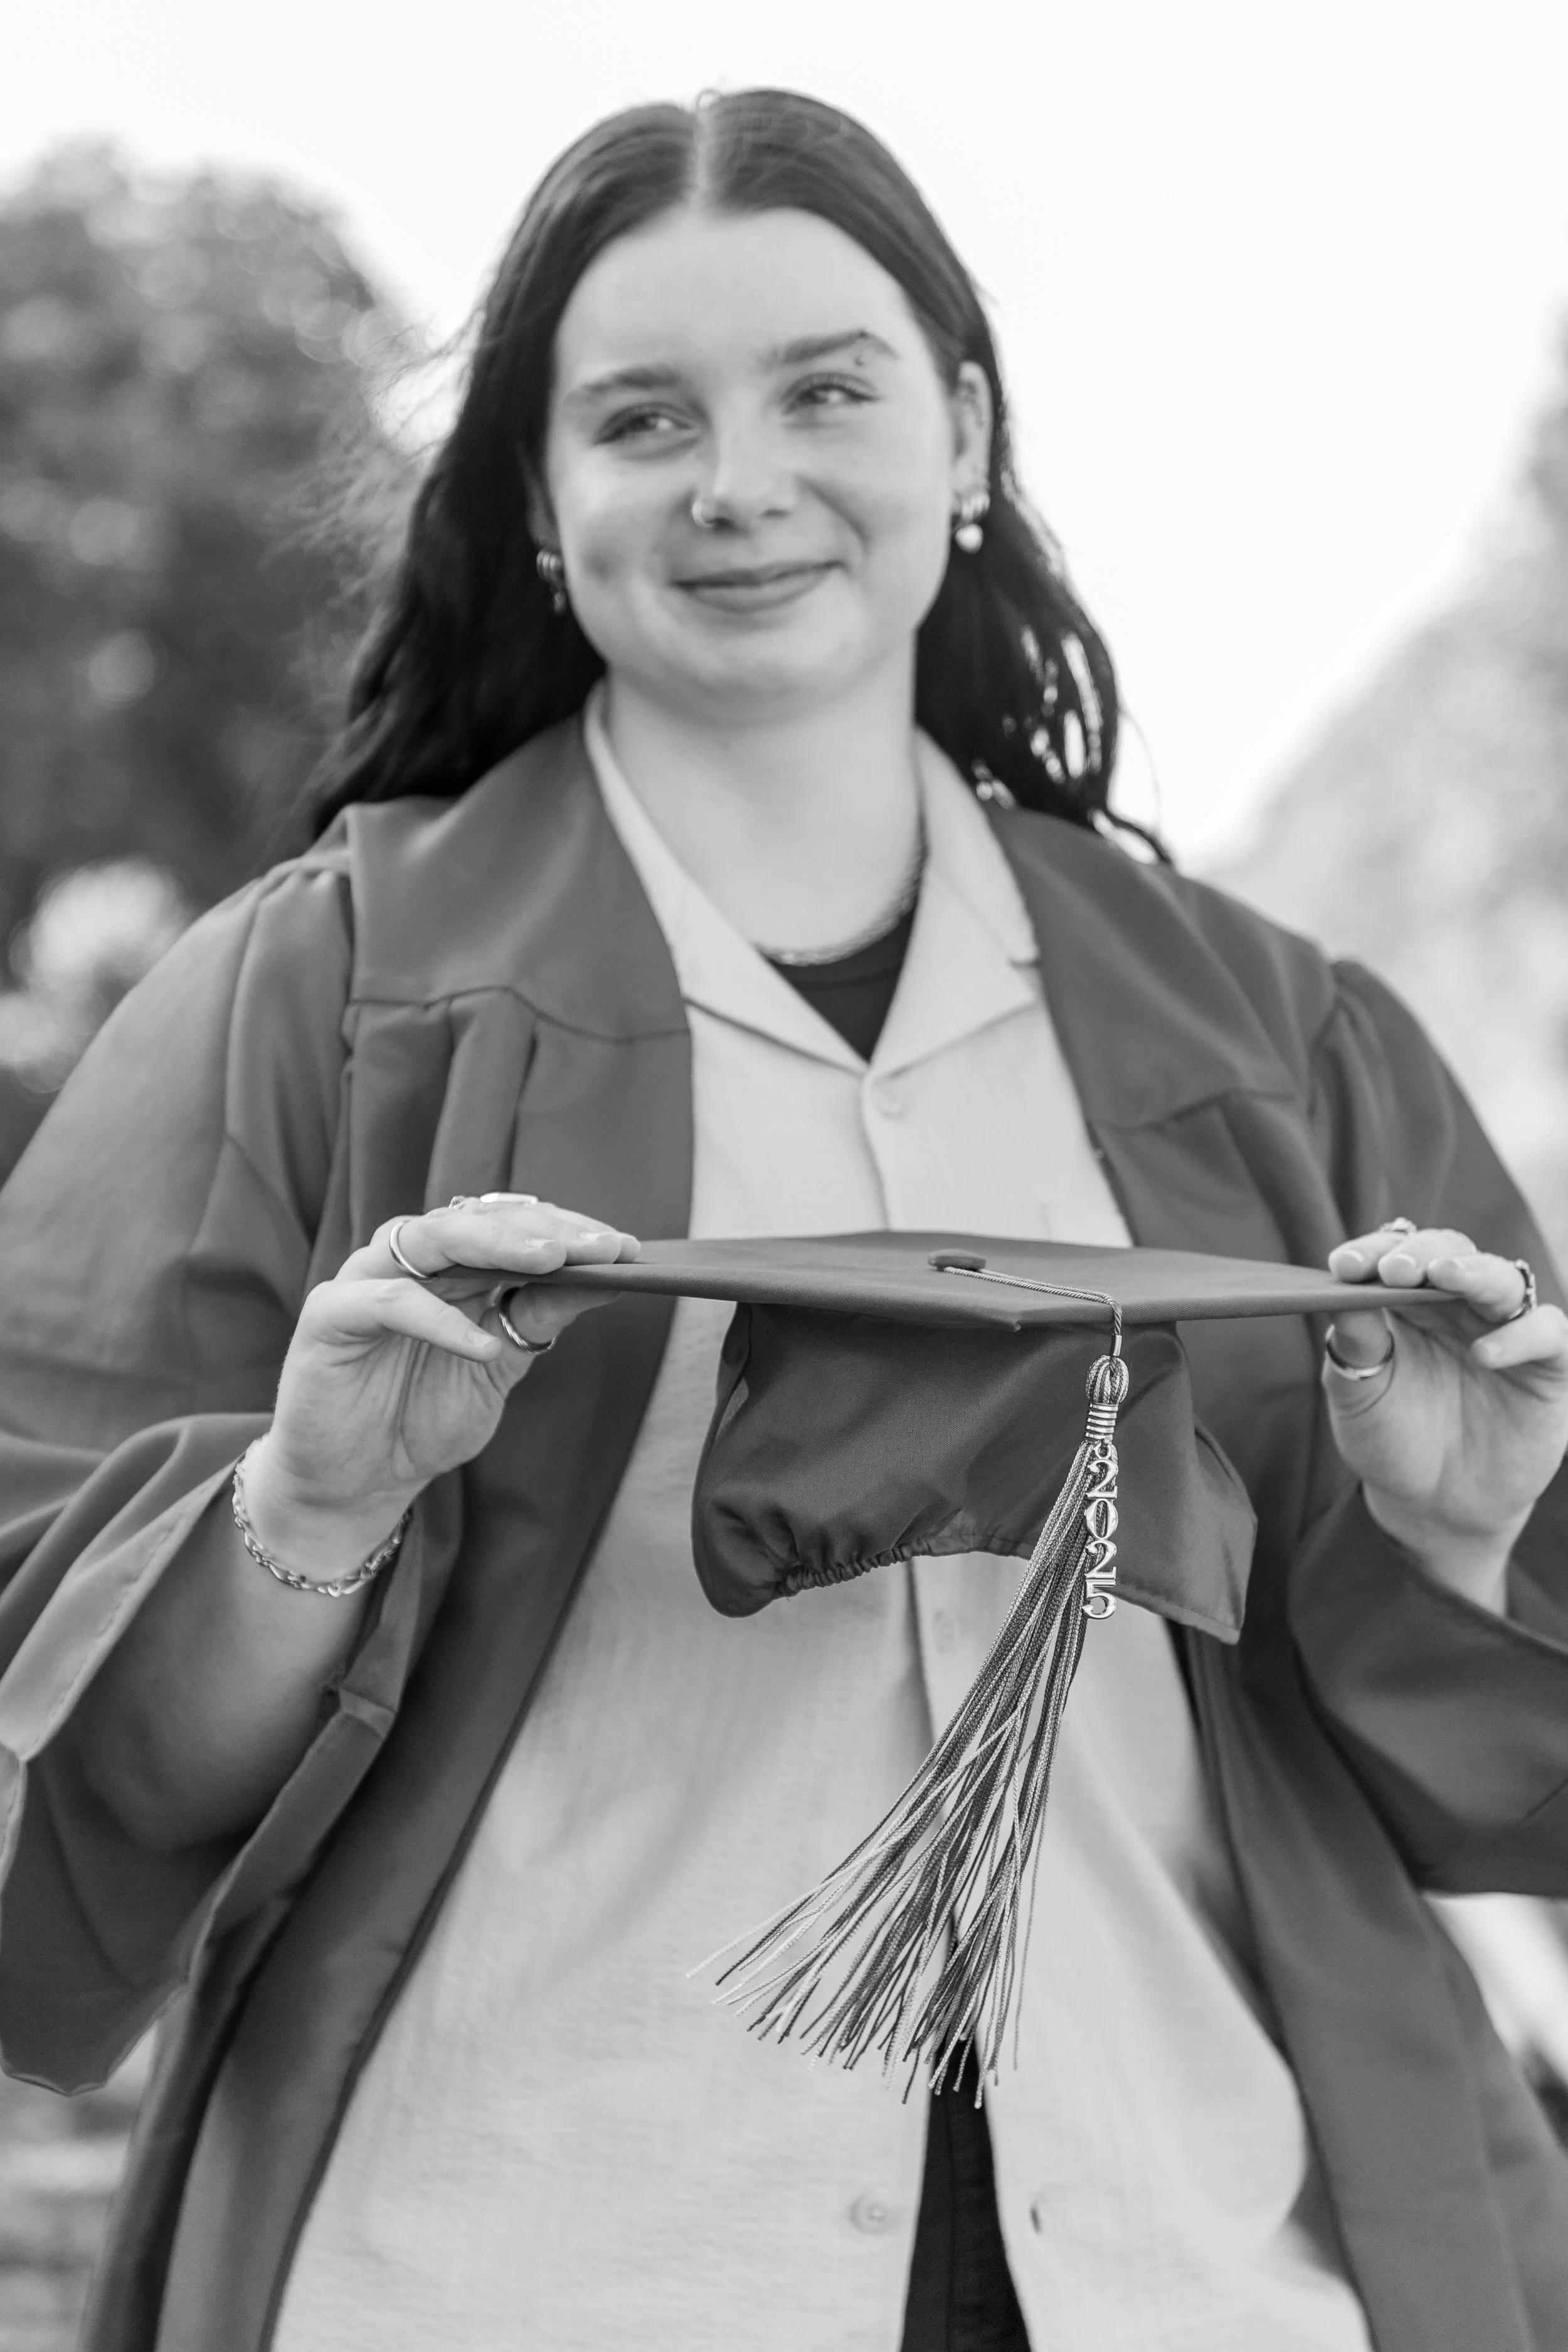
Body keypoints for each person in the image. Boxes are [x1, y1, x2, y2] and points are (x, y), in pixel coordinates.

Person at [0, 87, 1565, 2352]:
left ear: (957, 432)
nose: (739, 480)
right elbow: (65, 1750)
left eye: (824, 388)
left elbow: (1492, 1775)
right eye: (643, 417)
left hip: (1187, 2250)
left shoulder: (1274, 1037)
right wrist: (304, 1510)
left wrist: (1454, 1540)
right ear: (541, 506)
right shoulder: (320, 1004)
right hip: (528, 2248)